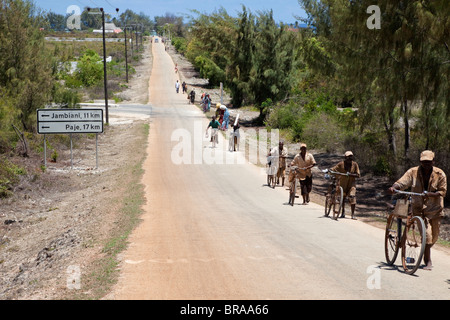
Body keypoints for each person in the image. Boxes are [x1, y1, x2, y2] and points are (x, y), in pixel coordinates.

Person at [388, 150, 447, 270]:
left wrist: (430, 194)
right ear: (420, 162)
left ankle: (426, 255)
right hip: (418, 208)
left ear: (433, 162)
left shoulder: (440, 174)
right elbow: (402, 182)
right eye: (424, 162)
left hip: (435, 209)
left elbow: (442, 191)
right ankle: (428, 261)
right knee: (427, 235)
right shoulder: (413, 172)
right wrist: (394, 187)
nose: (426, 164)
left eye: (429, 162)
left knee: (434, 236)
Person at [330, 151, 360, 219]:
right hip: (342, 183)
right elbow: (334, 169)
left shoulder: (355, 164)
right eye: (348, 157)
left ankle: (352, 214)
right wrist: (330, 170)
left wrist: (351, 174)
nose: (350, 158)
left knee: (352, 197)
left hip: (351, 184)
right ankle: (342, 212)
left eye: (351, 157)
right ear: (345, 157)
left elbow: (358, 175)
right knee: (342, 198)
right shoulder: (341, 164)